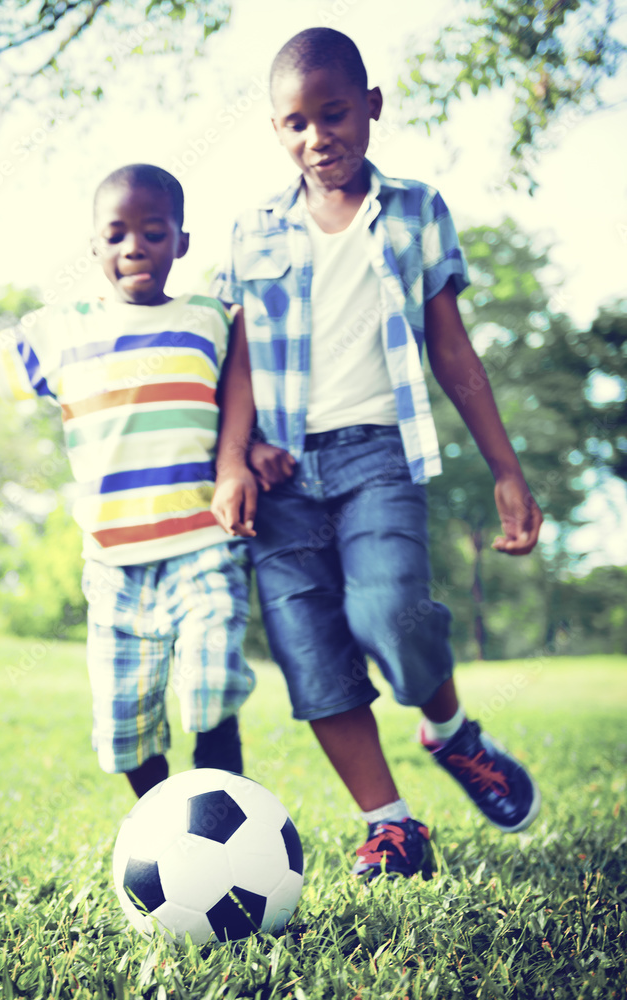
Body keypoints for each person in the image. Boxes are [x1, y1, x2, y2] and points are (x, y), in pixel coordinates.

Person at [210, 28, 544, 879]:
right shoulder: (252, 230)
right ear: (276, 131)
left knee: (390, 613)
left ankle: (449, 728)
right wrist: (234, 460)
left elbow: (453, 351)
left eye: (333, 114)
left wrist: (507, 467)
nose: (318, 136)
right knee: (309, 651)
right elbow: (239, 357)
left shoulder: (417, 210)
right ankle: (391, 825)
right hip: (281, 475)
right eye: (295, 123)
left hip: (377, 458)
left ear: (370, 107)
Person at [0, 163, 255, 799]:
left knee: (210, 685)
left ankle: (225, 804)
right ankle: (162, 826)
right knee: (126, 729)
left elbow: (246, 394)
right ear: (94, 247)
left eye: (153, 231)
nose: (134, 247)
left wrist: (251, 457)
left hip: (202, 543)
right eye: (116, 234)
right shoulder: (63, 329)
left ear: (181, 240)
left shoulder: (212, 319)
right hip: (113, 563)